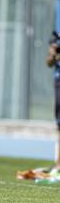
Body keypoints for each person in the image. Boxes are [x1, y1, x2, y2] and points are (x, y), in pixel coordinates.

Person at [46, 30, 60, 176]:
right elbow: (49, 62)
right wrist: (53, 55)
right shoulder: (55, 40)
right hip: (59, 80)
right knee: (59, 124)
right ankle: (58, 163)